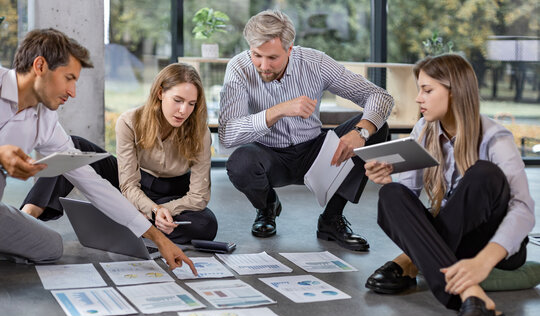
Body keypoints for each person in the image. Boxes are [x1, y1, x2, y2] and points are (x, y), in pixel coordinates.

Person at [0, 28, 196, 274]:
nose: (73, 92)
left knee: (51, 247)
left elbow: (92, 183)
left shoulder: (45, 121)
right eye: (68, 78)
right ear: (40, 66)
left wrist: (158, 239)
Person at [363, 54, 534, 316]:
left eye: (427, 90)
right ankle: (470, 295)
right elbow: (407, 199)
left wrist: (483, 261)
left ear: (455, 92)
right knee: (392, 194)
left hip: (493, 243)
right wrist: (386, 180)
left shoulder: (495, 137)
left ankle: (409, 262)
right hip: (454, 236)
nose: (419, 98)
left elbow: (523, 209)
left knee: (484, 174)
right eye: (419, 89)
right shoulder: (423, 130)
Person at [219, 9, 394, 251]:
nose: (263, 65)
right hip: (269, 156)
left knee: (378, 128)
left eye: (272, 58)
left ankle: (331, 219)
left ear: (290, 49)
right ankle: (267, 207)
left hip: (316, 152)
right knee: (240, 162)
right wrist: (277, 110)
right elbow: (227, 134)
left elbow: (379, 95)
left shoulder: (315, 62)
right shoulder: (239, 68)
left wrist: (361, 131)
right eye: (257, 55)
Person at [21, 63, 218, 245]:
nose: (184, 110)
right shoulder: (130, 121)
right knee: (74, 146)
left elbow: (198, 196)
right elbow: (128, 185)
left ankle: (126, 220)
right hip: (133, 185)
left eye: (191, 104)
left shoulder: (200, 133)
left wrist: (162, 211)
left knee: (205, 225)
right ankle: (27, 217)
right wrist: (153, 210)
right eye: (178, 100)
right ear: (160, 93)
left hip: (173, 195)